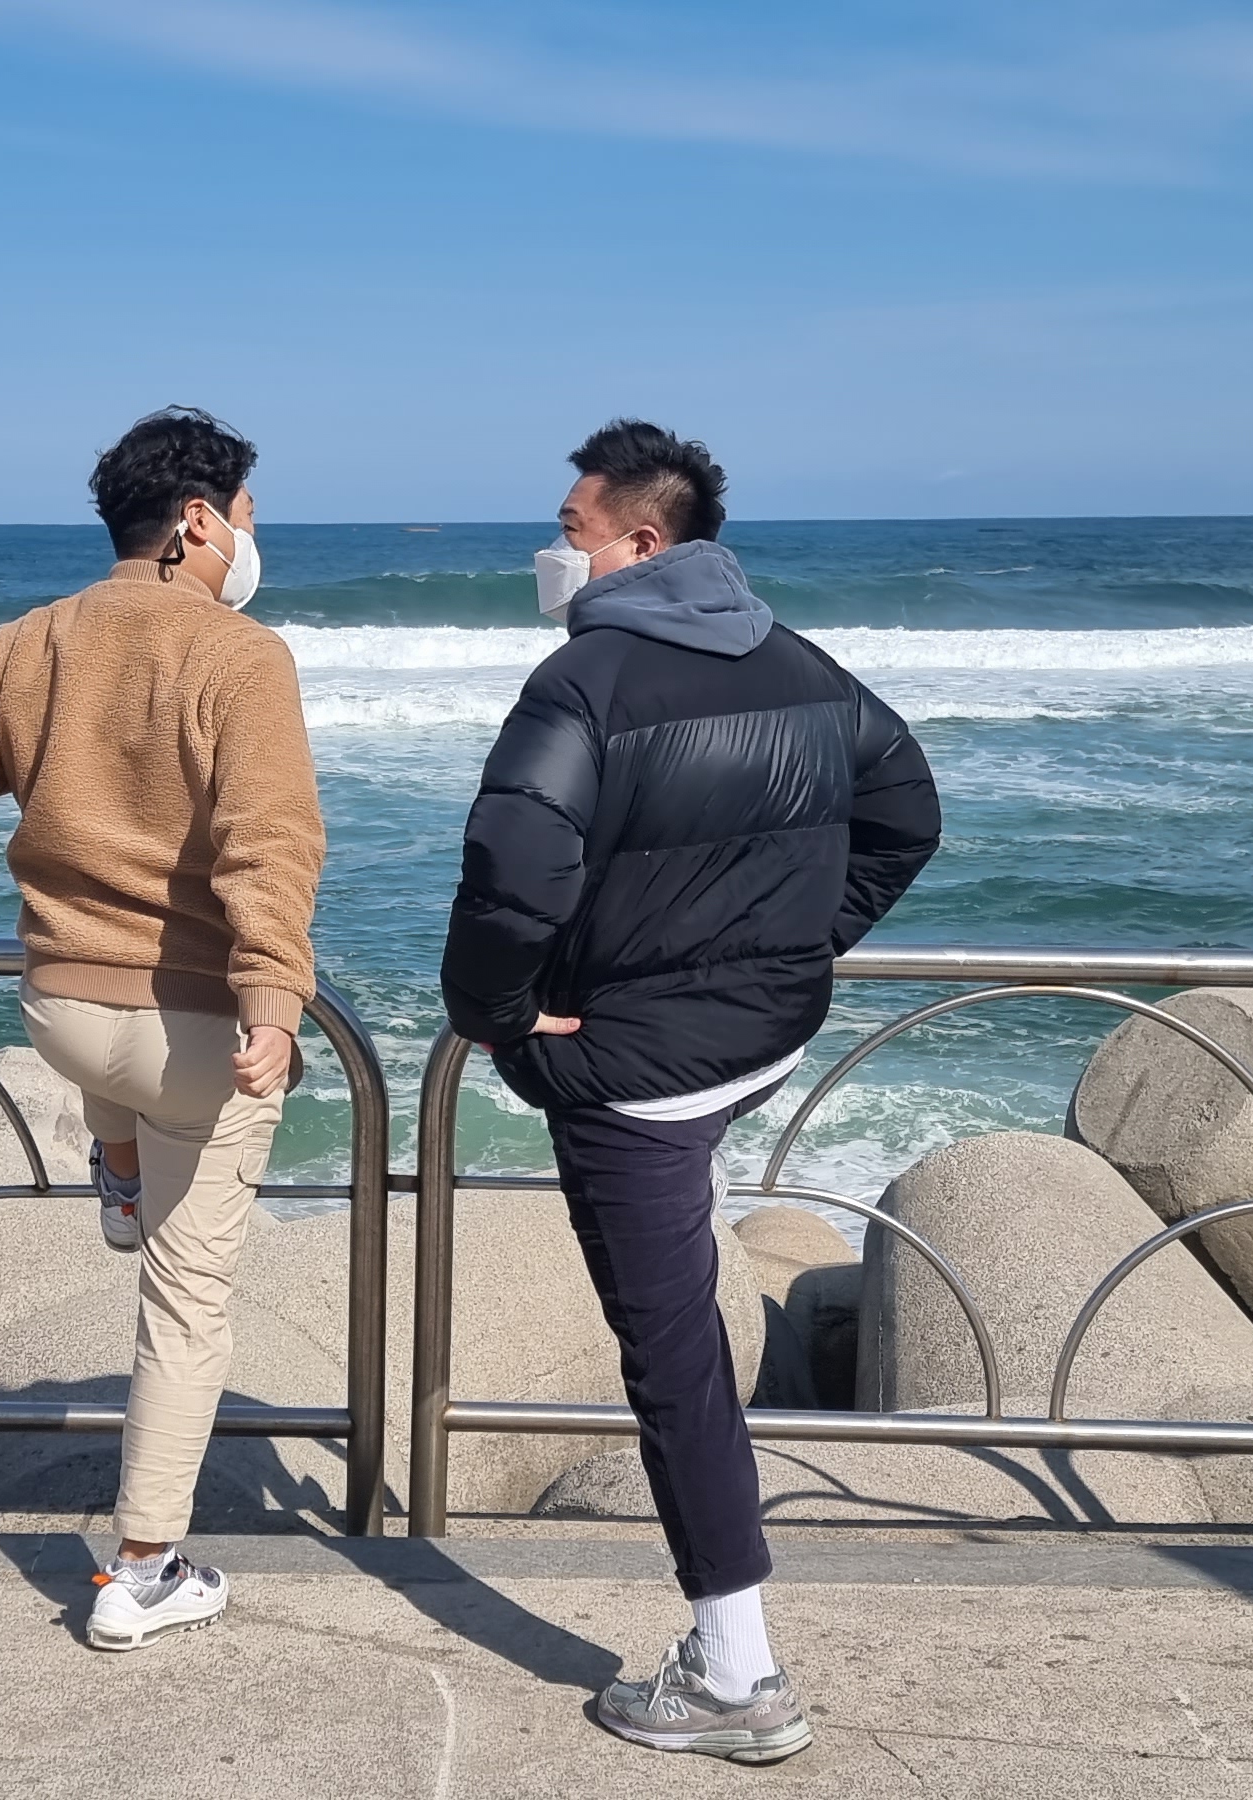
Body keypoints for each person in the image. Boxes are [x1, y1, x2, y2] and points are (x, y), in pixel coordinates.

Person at [438, 420, 939, 1765]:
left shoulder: (582, 679)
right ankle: (730, 1656)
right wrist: (796, 944)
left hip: (636, 1074)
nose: (553, 553)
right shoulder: (796, 658)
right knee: (684, 1326)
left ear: (642, 542)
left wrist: (493, 1018)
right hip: (756, 1046)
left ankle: (735, 1675)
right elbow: (907, 813)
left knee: (674, 1362)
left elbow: (512, 874)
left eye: (572, 529)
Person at [0, 406, 324, 1652]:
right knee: (186, 1304)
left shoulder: (27, 642)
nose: (250, 535)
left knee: (119, 1085)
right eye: (245, 514)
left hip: (60, 1015)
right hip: (189, 1032)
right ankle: (142, 1572)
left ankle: (118, 1167)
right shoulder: (242, 655)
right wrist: (273, 999)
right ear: (197, 521)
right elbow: (269, 844)